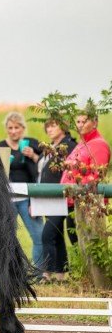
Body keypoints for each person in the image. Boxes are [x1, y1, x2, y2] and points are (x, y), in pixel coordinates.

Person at [60, 111, 111, 260]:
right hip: (73, 200)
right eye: (78, 122)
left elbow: (96, 175)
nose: (80, 125)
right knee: (76, 240)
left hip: (87, 201)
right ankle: (82, 273)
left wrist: (79, 190)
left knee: (89, 241)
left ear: (94, 123)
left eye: (84, 121)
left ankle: (94, 278)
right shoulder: (83, 143)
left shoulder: (98, 144)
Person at [0, 112, 44, 268]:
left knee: (38, 236)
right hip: (7, 199)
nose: (13, 131)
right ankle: (14, 272)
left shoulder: (32, 144)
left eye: (17, 127)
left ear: (23, 128)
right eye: (10, 128)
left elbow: (45, 169)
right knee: (7, 238)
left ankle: (39, 272)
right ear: (6, 129)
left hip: (28, 197)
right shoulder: (0, 147)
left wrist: (34, 157)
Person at [38, 119, 77, 283]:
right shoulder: (50, 147)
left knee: (47, 234)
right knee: (57, 235)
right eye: (47, 126)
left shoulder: (69, 145)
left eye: (53, 125)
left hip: (61, 196)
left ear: (63, 126)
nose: (50, 129)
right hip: (48, 197)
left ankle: (47, 273)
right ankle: (61, 275)